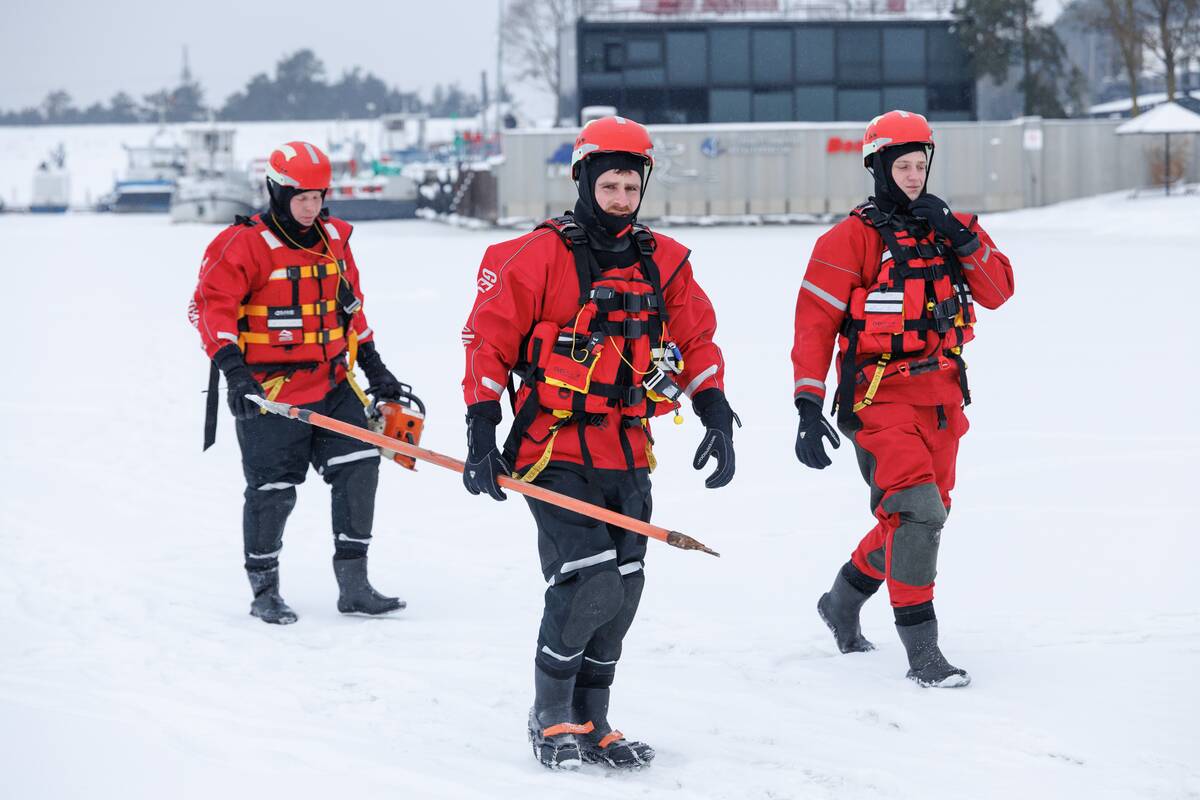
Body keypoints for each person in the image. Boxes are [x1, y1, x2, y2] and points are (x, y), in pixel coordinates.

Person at [460, 116, 736, 769]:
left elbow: (697, 341)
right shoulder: (533, 255)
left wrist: (715, 410)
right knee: (590, 581)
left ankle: (594, 717)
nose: (619, 198)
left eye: (629, 187)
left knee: (627, 586)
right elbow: (487, 342)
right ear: (582, 180)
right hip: (551, 446)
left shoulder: (664, 261)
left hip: (629, 449)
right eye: (608, 184)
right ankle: (549, 714)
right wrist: (480, 428)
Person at [790, 110, 1014, 687]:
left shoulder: (954, 227)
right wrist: (808, 405)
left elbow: (998, 292)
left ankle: (841, 599)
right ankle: (924, 655)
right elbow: (813, 328)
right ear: (877, 166)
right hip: (879, 398)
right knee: (918, 513)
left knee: (916, 521)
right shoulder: (847, 240)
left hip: (943, 400)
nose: (913, 176)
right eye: (902, 165)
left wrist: (960, 234)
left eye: (921, 166)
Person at [189, 141, 413, 625]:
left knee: (359, 467)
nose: (311, 207)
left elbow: (352, 311)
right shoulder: (241, 245)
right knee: (273, 491)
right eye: (301, 197)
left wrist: (376, 369)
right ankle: (264, 591)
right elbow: (211, 310)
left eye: (318, 196)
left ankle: (354, 588)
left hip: (333, 382)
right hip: (269, 393)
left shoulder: (334, 240)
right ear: (276, 191)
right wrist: (235, 372)